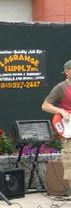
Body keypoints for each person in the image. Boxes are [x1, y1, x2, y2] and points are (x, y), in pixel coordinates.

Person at [42, 59, 71, 195]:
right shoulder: (61, 88)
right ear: (67, 72)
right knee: (70, 160)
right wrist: (61, 111)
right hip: (69, 130)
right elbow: (45, 105)